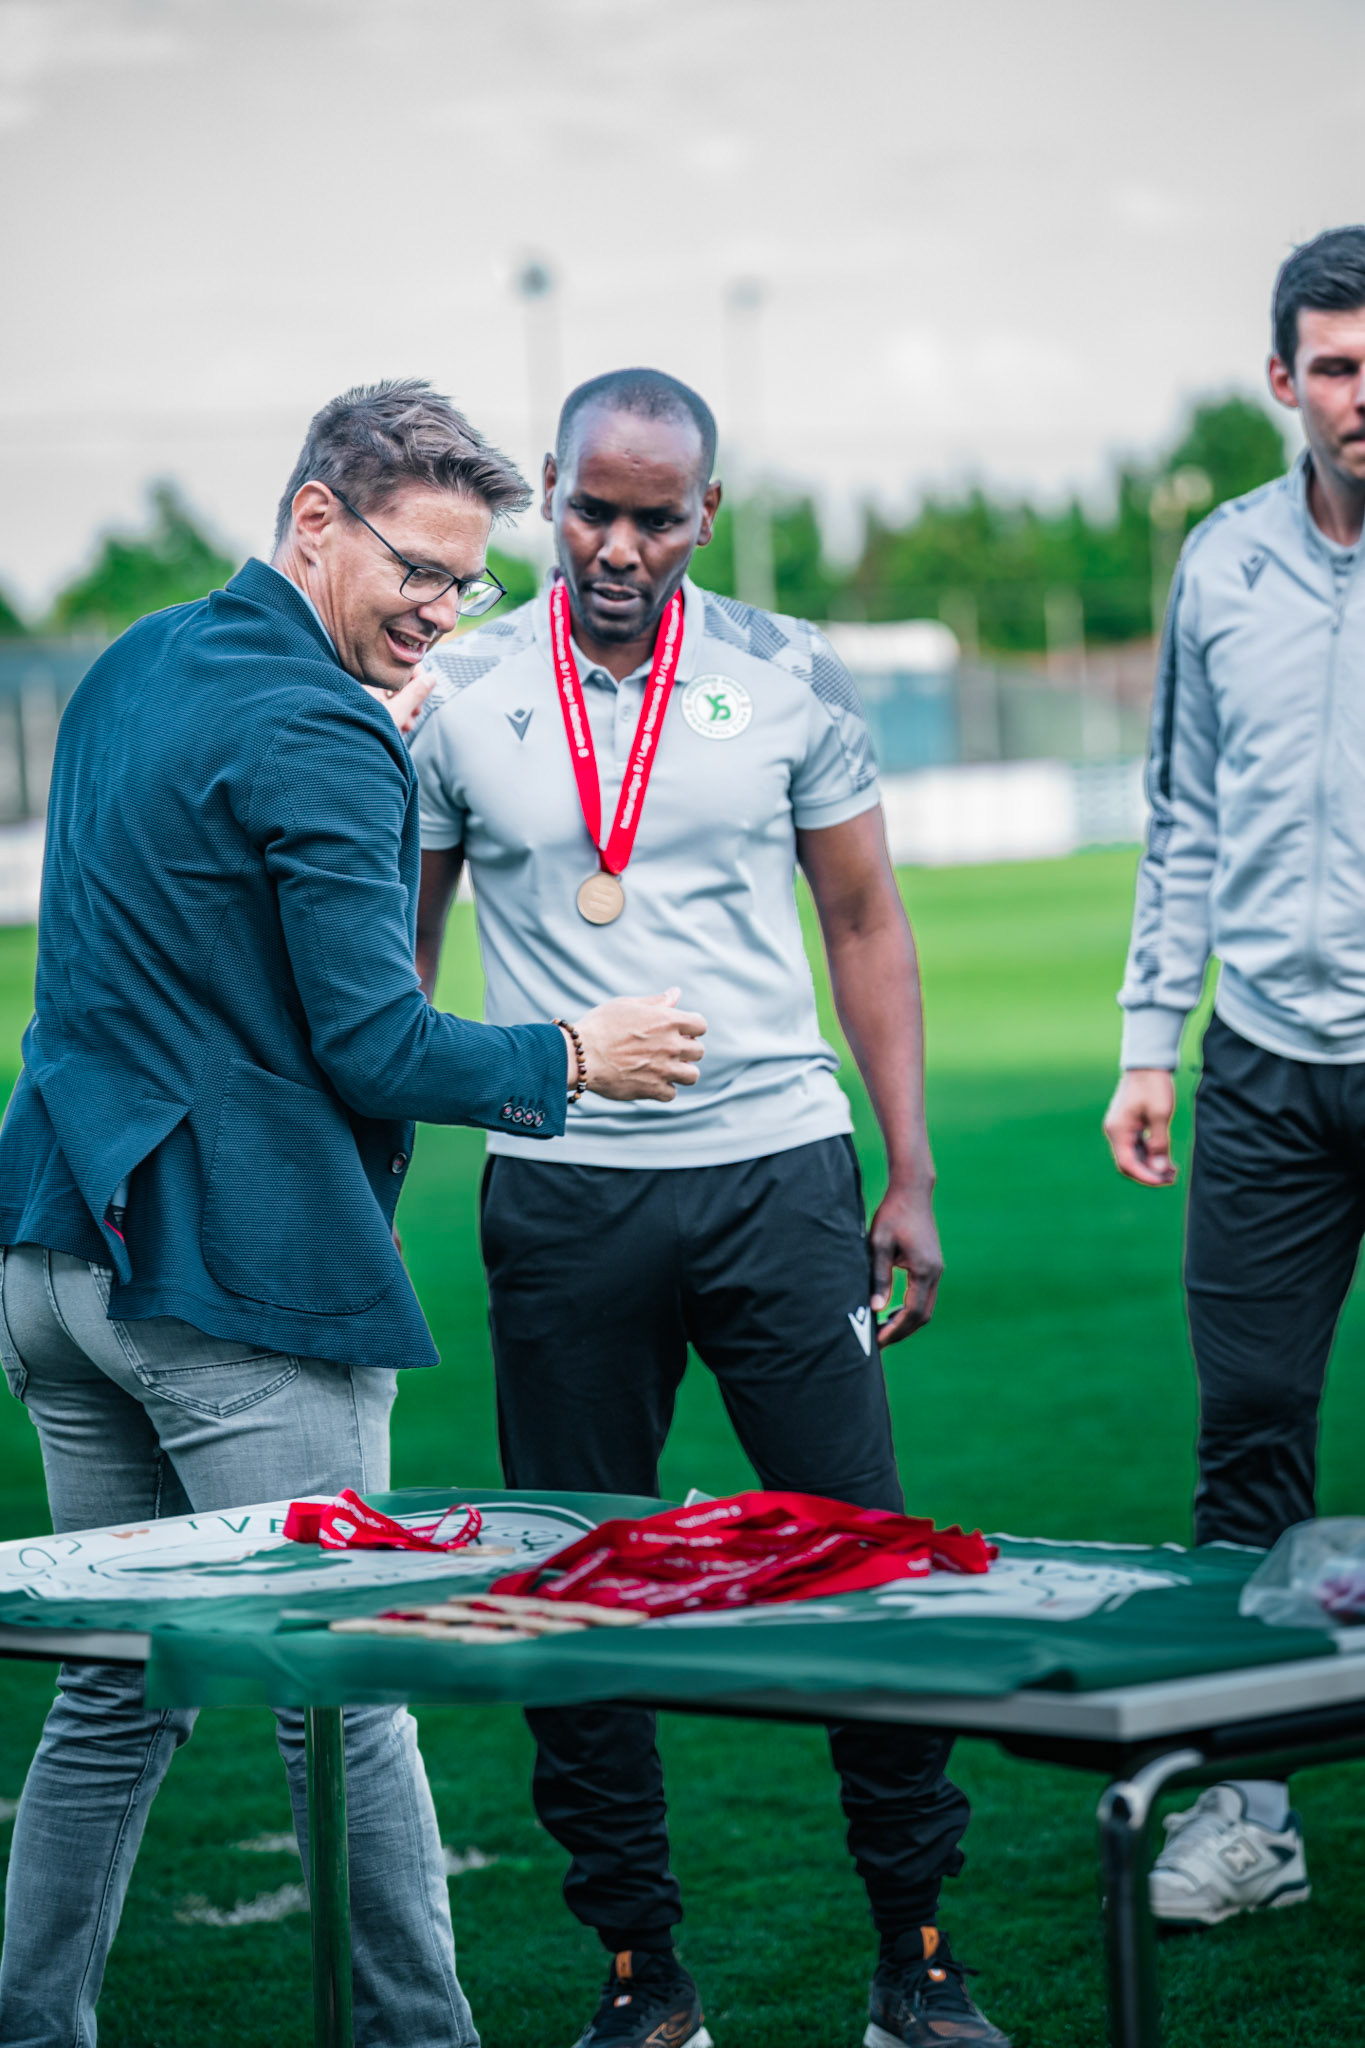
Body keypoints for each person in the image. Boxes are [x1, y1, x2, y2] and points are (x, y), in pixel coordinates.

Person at [0, 378, 704, 2048]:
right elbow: (376, 1043)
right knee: (346, 1693)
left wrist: (365, 720)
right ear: (315, 520)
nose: (443, 609)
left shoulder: (134, 661)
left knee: (114, 1689)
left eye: (467, 581)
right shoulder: (324, 732)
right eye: (417, 569)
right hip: (229, 1278)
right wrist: (576, 1054)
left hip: (56, 1248)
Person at [412, 368, 1009, 2048]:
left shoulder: (790, 668)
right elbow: (400, 953)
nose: (618, 547)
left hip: (777, 1180)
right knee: (572, 1582)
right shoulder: (460, 683)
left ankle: (917, 1958)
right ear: (547, 491)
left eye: (656, 518)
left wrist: (908, 1168)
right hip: (562, 1194)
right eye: (592, 511)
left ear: (708, 514)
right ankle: (641, 1975)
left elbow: (865, 922)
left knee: (863, 1563)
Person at [1104, 225, 1365, 1927]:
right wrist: (1150, 1042)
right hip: (1264, 1071)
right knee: (1249, 1433)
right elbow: (1181, 817)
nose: (1362, 395)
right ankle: (1249, 1812)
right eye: (1334, 366)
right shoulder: (1221, 562)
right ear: (1282, 381)